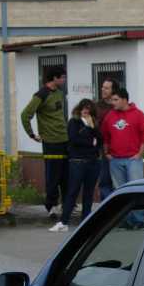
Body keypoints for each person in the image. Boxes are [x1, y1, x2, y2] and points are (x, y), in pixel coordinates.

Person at [21, 67, 69, 218]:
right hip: (51, 141)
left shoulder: (60, 93)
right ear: (54, 78)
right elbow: (25, 114)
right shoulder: (41, 94)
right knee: (53, 176)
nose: (64, 80)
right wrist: (31, 134)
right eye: (62, 77)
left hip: (65, 139)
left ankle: (66, 205)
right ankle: (51, 206)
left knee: (66, 175)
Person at [51, 99, 103, 233]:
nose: (86, 111)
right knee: (72, 192)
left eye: (89, 109)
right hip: (77, 162)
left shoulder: (94, 123)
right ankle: (63, 222)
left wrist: (92, 129)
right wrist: (91, 139)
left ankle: (86, 220)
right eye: (84, 108)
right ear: (79, 109)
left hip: (93, 162)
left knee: (88, 193)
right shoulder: (74, 122)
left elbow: (100, 140)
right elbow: (74, 140)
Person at [101, 87, 144, 189]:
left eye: (116, 100)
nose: (112, 102)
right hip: (115, 161)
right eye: (112, 100)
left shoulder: (138, 114)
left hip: (133, 160)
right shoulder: (110, 116)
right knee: (119, 192)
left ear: (124, 100)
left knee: (136, 190)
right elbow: (105, 136)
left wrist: (139, 154)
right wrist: (107, 153)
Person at [95, 78, 118, 201]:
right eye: (102, 87)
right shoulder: (97, 106)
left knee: (119, 181)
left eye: (106, 88)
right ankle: (106, 207)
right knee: (104, 180)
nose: (103, 89)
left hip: (119, 149)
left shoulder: (118, 106)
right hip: (103, 149)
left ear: (113, 90)